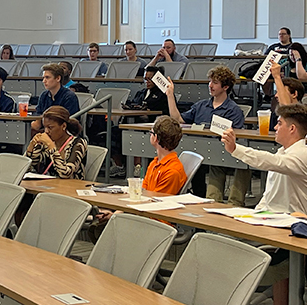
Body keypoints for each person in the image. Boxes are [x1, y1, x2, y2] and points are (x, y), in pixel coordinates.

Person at [221, 103, 307, 305]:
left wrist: (237, 149)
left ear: (292, 128)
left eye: (280, 123)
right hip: (271, 220)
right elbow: (269, 196)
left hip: (290, 227)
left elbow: (271, 163)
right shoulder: (283, 152)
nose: (275, 127)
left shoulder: (305, 154)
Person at [165, 65, 249, 206]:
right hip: (199, 148)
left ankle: (229, 204)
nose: (210, 85)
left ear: (225, 87)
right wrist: (170, 95)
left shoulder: (233, 110)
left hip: (221, 152)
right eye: (210, 81)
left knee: (217, 164)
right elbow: (178, 119)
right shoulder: (201, 105)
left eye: (215, 83)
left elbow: (236, 135)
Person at [94, 116, 187, 230]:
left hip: (155, 221)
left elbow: (156, 204)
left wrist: (117, 215)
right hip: (145, 212)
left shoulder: (172, 171)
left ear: (156, 138)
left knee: (102, 227)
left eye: (151, 133)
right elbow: (142, 194)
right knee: (99, 221)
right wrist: (117, 213)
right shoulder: (155, 163)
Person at [109, 66, 172, 177]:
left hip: (150, 125)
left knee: (135, 135)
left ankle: (137, 166)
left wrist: (148, 113)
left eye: (150, 79)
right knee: (113, 132)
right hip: (132, 122)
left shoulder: (164, 95)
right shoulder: (141, 93)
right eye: (145, 79)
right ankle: (119, 165)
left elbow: (166, 113)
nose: (147, 82)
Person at [24, 105, 87, 180]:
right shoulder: (44, 143)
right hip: (47, 184)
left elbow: (65, 173)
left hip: (70, 185)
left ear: (63, 126)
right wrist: (30, 148)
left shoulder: (78, 143)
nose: (46, 131)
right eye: (44, 127)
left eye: (50, 127)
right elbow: (27, 169)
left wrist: (51, 147)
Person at [31, 63, 79, 132]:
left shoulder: (69, 97)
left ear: (58, 78)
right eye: (43, 78)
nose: (44, 81)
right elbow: (38, 113)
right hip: (45, 130)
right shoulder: (44, 95)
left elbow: (69, 121)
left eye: (47, 77)